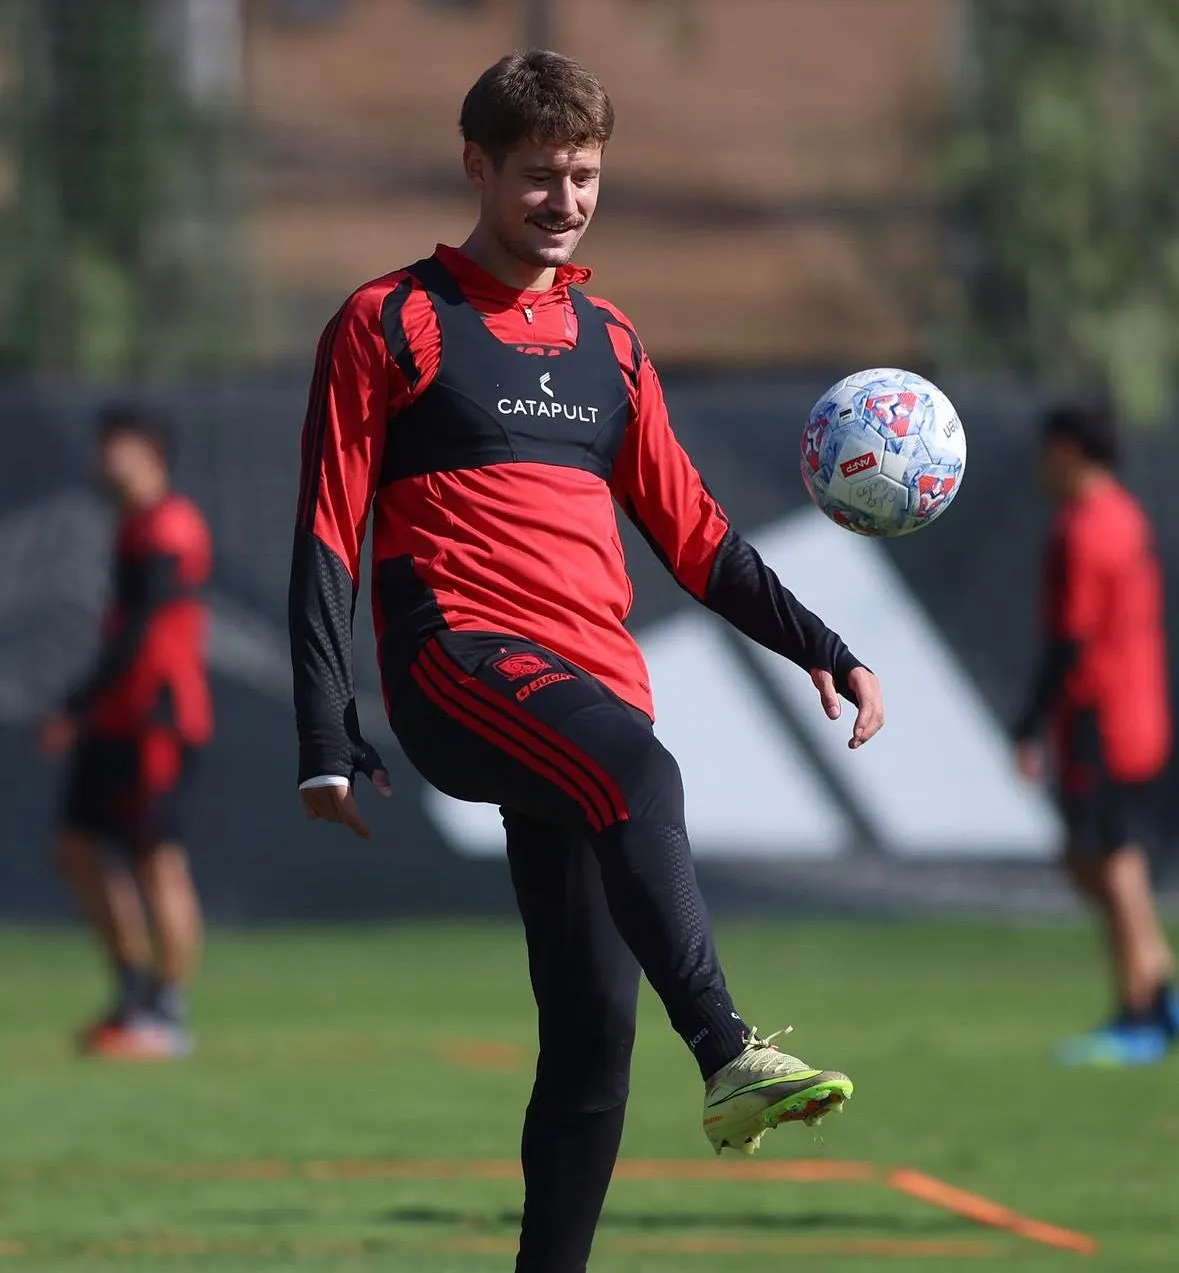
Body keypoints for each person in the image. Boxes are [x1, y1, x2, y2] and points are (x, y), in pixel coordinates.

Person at [289, 50, 883, 1271]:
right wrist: (325, 725)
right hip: (460, 665)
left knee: (593, 1038)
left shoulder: (611, 342)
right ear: (476, 166)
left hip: (589, 693)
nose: (565, 201)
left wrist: (818, 645)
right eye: (539, 176)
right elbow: (328, 526)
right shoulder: (391, 320)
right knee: (644, 775)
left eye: (586, 176)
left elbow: (697, 534)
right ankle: (727, 1050)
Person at [38, 404, 212, 1060]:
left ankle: (166, 1012)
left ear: (150, 452)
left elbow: (140, 632)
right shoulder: (134, 523)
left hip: (155, 717)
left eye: (115, 447)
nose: (103, 459)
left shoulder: (170, 525)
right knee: (77, 848)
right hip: (116, 716)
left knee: (157, 859)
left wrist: (75, 704)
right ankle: (133, 992)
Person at [1015, 400, 1178, 1066]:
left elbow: (1070, 640)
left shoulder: (1082, 528)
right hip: (1141, 713)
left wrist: (1027, 724)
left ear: (1066, 452)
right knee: (1101, 861)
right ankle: (1158, 992)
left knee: (1110, 864)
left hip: (1099, 717)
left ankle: (1141, 1013)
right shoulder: (1126, 514)